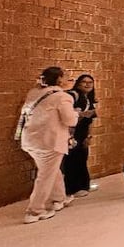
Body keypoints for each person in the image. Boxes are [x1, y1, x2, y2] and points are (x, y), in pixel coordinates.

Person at [19, 67, 79, 223]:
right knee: (45, 175)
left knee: (50, 170)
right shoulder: (62, 97)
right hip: (50, 142)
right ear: (59, 79)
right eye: (64, 76)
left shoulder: (33, 93)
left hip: (31, 140)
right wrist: (77, 114)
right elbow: (69, 120)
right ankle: (34, 211)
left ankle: (59, 199)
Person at [63, 74, 99, 198]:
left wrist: (89, 136)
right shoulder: (73, 96)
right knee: (72, 160)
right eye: (84, 82)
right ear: (78, 83)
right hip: (71, 134)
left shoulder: (88, 98)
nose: (87, 84)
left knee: (82, 158)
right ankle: (73, 188)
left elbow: (90, 120)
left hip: (82, 134)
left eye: (90, 82)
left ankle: (83, 185)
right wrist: (82, 115)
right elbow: (67, 116)